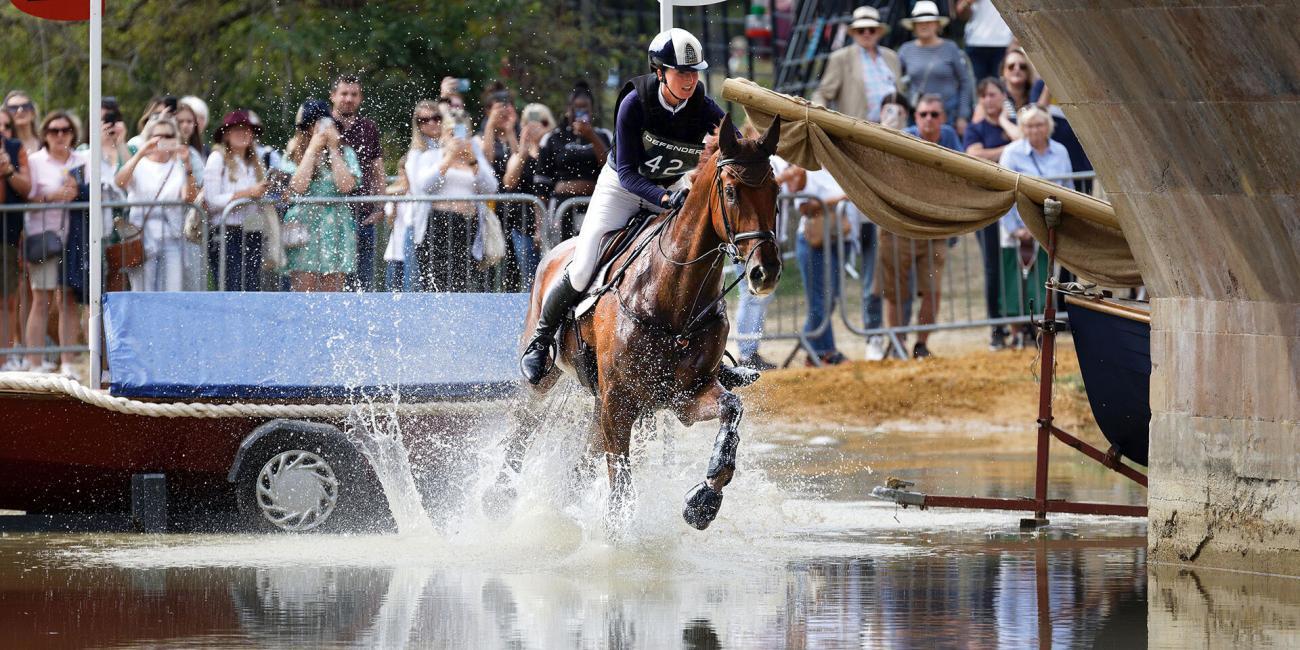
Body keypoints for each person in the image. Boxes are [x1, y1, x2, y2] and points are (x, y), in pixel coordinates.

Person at [519, 28, 728, 384]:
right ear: (660, 71)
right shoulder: (635, 103)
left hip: (670, 187)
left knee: (692, 260)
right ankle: (540, 341)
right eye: (681, 72)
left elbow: (735, 146)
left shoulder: (705, 107)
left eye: (694, 72)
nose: (690, 80)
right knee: (584, 267)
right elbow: (629, 173)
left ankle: (714, 357)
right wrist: (665, 198)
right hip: (621, 190)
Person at [882, 95, 960, 359]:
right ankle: (896, 343)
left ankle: (921, 344)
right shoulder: (903, 137)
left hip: (934, 227)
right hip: (899, 225)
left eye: (934, 115)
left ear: (943, 118)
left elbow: (963, 172)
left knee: (933, 289)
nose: (929, 119)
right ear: (916, 117)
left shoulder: (949, 138)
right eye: (924, 114)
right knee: (894, 291)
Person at [997, 105, 1071, 348]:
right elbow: (1004, 191)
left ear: (1048, 126)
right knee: (1014, 281)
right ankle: (1016, 332)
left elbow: (1068, 188)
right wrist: (1014, 228)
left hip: (1047, 229)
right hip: (1016, 228)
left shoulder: (1060, 151)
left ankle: (1039, 332)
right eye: (1029, 125)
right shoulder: (1011, 152)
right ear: (1022, 128)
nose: (1035, 129)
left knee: (1044, 282)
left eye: (1039, 124)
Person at [22, 111, 87, 377]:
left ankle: (68, 362)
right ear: (45, 134)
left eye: (65, 130)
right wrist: (51, 195)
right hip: (43, 235)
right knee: (42, 299)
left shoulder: (82, 159)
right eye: (53, 130)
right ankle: (34, 364)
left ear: (73, 133)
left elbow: (91, 191)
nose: (60, 135)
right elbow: (27, 194)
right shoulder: (35, 160)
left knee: (68, 299)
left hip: (74, 236)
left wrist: (76, 192)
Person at [277, 99, 361, 292]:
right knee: (304, 292)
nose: (322, 128)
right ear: (306, 127)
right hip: (304, 226)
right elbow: (297, 186)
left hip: (337, 227)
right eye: (316, 122)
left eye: (325, 122)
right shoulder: (293, 153)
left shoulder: (345, 152)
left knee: (332, 294)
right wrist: (312, 150)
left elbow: (346, 186)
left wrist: (333, 149)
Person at [115, 114, 200, 292]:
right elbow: (120, 182)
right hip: (140, 236)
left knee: (172, 292)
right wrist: (140, 153)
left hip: (172, 237)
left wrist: (188, 166)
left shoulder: (178, 166)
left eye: (169, 136)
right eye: (158, 135)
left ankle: (167, 321)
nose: (163, 140)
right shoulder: (139, 163)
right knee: (142, 292)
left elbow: (189, 198)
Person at [412, 118, 497, 292]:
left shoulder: (475, 158)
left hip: (467, 225)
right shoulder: (431, 156)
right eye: (451, 134)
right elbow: (425, 185)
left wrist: (473, 161)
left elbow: (491, 187)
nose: (457, 139)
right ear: (443, 135)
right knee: (436, 280)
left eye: (462, 134)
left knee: (462, 279)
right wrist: (449, 158)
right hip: (438, 224)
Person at [963, 78, 1014, 349]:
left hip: (1016, 207)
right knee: (993, 266)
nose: (988, 100)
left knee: (1019, 263)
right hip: (988, 207)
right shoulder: (975, 128)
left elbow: (1025, 140)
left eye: (993, 94)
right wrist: (1008, 151)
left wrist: (1006, 124)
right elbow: (975, 156)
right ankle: (997, 325)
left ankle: (1021, 322)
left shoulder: (1013, 124)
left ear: (1003, 96)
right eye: (984, 96)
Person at [536, 82, 613, 242]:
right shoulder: (552, 138)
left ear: (592, 110)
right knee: (562, 253)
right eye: (576, 107)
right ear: (568, 109)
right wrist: (539, 227)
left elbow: (611, 167)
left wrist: (591, 136)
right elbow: (541, 185)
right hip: (562, 208)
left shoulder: (604, 136)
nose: (581, 112)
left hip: (595, 206)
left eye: (585, 107)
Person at [329, 75, 385, 291]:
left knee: (362, 284)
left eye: (354, 94)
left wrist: (380, 206)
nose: (348, 99)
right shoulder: (323, 125)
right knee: (332, 280)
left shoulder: (368, 127)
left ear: (360, 98)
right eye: (344, 93)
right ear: (333, 96)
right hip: (330, 216)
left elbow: (377, 169)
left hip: (362, 216)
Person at [204, 111, 269, 291]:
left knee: (251, 287)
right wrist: (248, 193)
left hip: (252, 232)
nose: (244, 134)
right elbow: (212, 200)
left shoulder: (255, 163)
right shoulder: (217, 159)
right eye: (237, 130)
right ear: (226, 134)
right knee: (230, 286)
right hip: (225, 233)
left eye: (248, 130)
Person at [383, 100, 443, 292]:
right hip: (420, 224)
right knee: (415, 283)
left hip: (443, 223)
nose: (431, 123)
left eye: (436, 118)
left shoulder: (449, 146)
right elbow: (420, 188)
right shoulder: (416, 153)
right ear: (417, 125)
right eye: (424, 120)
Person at [810, 6, 903, 122]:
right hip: (857, 132)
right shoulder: (841, 58)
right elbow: (823, 93)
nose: (866, 33)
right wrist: (819, 115)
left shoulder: (892, 57)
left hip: (893, 130)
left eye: (871, 29)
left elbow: (900, 94)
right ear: (853, 32)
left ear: (879, 32)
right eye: (861, 30)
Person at [796, 168, 850, 366]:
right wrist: (840, 199)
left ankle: (810, 345)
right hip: (813, 241)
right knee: (820, 300)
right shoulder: (807, 170)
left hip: (837, 239)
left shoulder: (840, 167)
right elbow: (804, 207)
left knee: (831, 299)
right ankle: (826, 351)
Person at [898, 1, 974, 135]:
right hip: (917, 117)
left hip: (948, 116)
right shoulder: (905, 50)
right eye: (919, 22)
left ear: (937, 25)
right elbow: (896, 81)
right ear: (913, 26)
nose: (924, 25)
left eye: (929, 21)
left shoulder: (950, 48)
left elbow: (965, 81)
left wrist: (962, 116)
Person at [502, 103, 556, 290]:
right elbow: (509, 182)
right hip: (523, 226)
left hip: (553, 225)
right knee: (530, 281)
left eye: (542, 121)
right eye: (529, 121)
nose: (535, 126)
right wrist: (524, 150)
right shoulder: (519, 154)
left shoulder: (554, 150)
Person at [1, 109, 33, 370]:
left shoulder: (14, 149)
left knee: (7, 298)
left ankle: (5, 357)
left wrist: (8, 171)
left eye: (5, 125)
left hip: (6, 235)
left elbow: (27, 188)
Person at [956, 0, 1013, 83]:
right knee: (975, 88)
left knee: (1002, 87)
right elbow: (961, 14)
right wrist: (967, 3)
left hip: (1004, 43)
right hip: (975, 43)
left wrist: (1014, 41)